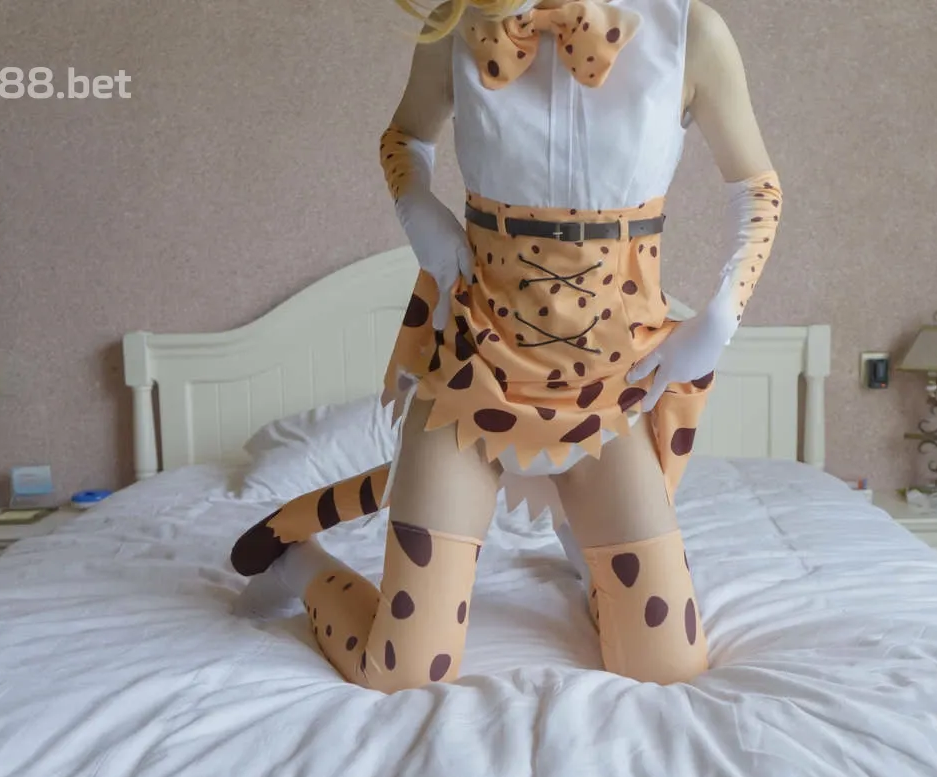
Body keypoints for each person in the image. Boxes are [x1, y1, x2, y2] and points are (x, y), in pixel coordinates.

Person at [231, 0, 781, 693]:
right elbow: (404, 139)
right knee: (403, 672)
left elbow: (756, 186)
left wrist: (721, 318)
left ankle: (580, 544)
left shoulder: (687, 30)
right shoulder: (456, 24)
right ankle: (298, 563)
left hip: (610, 388)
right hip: (471, 374)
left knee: (668, 667)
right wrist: (421, 215)